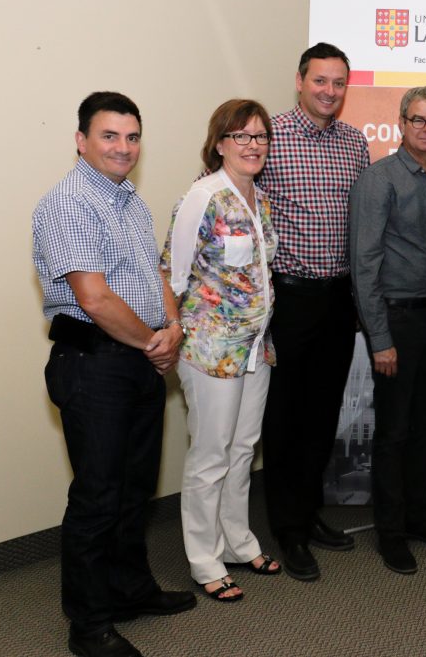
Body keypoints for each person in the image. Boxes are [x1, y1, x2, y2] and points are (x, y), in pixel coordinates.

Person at [32, 91, 196, 657]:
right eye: (109, 135)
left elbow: (154, 275)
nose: (123, 147)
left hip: (138, 361)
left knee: (133, 491)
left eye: (132, 137)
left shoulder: (130, 202)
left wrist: (171, 327)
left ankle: (130, 589)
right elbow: (95, 300)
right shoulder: (70, 202)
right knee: (98, 498)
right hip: (93, 365)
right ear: (81, 140)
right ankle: (89, 624)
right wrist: (155, 341)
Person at [160, 99, 281, 603]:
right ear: (219, 144)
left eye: (259, 136)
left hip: (255, 351)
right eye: (241, 136)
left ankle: (238, 540)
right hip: (211, 352)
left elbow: (258, 277)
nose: (252, 145)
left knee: (243, 449)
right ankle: (204, 558)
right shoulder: (203, 196)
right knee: (210, 456)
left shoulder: (260, 199)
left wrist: (266, 338)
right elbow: (170, 272)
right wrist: (174, 333)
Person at [257, 42, 370, 581]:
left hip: (338, 298)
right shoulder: (268, 136)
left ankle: (310, 512)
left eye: (338, 83)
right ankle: (288, 529)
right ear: (300, 80)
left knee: (324, 414)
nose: (329, 91)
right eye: (320, 81)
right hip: (289, 296)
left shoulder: (355, 143)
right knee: (284, 417)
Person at [349, 86, 426, 574]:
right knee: (393, 432)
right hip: (398, 320)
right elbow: (364, 263)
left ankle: (416, 516)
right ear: (401, 123)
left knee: (424, 429)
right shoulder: (379, 180)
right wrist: (380, 338)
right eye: (419, 120)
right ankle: (391, 532)